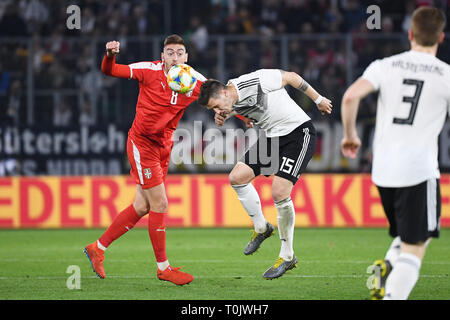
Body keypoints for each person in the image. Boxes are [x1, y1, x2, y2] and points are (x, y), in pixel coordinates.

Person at [340, 7, 449, 300]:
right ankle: (392, 295)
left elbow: (350, 96)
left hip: (384, 172)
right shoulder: (446, 75)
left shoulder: (385, 65)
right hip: (419, 171)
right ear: (440, 37)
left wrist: (350, 135)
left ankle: (386, 268)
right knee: (416, 247)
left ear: (410, 34)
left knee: (406, 232)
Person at [83, 34, 207, 286]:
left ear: (186, 57)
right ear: (162, 56)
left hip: (164, 147)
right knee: (160, 203)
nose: (174, 57)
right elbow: (111, 71)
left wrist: (241, 117)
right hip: (142, 145)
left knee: (142, 207)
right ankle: (163, 268)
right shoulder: (148, 70)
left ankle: (97, 247)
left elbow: (220, 97)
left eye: (179, 53)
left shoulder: (195, 81)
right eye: (169, 52)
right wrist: (110, 55)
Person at [197, 69, 332, 279]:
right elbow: (242, 107)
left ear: (224, 93)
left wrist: (319, 99)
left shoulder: (255, 81)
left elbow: (291, 77)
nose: (217, 110)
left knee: (279, 192)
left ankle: (287, 256)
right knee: (237, 178)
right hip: (272, 138)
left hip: (298, 133)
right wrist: (236, 116)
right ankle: (262, 228)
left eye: (215, 106)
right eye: (212, 109)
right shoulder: (230, 98)